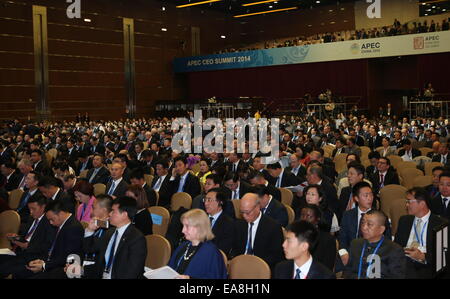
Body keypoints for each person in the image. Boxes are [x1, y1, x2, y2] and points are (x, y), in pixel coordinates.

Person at [82, 196, 147, 279]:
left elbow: (131, 273)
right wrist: (90, 230)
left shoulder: (136, 239)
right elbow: (89, 249)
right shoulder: (110, 232)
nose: (109, 214)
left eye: (113, 211)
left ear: (124, 215)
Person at [395, 187, 448, 278]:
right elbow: (397, 245)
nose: (406, 205)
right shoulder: (404, 220)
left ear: (422, 204)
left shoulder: (441, 224)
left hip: (428, 266)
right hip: (405, 263)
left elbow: (444, 255)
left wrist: (423, 256)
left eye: (409, 201)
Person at [0, 194, 56, 279]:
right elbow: (26, 237)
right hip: (21, 253)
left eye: (33, 209)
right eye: (29, 209)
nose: (31, 212)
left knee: (6, 269)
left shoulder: (49, 222)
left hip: (34, 257)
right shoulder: (32, 218)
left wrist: (28, 246)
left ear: (43, 207)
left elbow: (47, 246)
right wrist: (16, 237)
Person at [26, 199, 84, 279]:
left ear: (60, 214)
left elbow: (68, 257)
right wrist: (42, 261)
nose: (50, 223)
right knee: (22, 269)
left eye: (52, 219)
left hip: (63, 269)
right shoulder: (62, 223)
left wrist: (44, 265)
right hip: (52, 262)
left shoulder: (74, 228)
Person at [338, 182, 391, 266]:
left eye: (371, 195)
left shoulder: (380, 216)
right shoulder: (347, 215)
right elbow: (342, 238)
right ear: (356, 198)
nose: (370, 198)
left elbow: (387, 240)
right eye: (366, 196)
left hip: (373, 255)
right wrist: (343, 253)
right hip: (350, 254)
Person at [343, 210, 406, 279]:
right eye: (363, 223)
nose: (364, 228)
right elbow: (348, 271)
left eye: (369, 224)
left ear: (381, 229)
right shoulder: (355, 244)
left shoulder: (394, 250)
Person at [167, 209, 227, 279]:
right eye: (183, 226)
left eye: (187, 226)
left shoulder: (211, 252)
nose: (183, 230)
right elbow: (169, 270)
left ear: (199, 228)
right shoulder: (183, 246)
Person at [230, 193, 284, 269]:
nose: (244, 216)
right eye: (242, 212)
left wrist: (255, 265)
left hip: (262, 266)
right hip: (241, 264)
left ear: (258, 207)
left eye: (248, 212)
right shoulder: (239, 224)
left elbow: (276, 255)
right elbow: (234, 248)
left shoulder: (273, 227)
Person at [298, 205, 337, 271]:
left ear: (317, 220)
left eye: (308, 216)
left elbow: (327, 268)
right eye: (302, 215)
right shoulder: (295, 236)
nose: (304, 219)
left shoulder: (327, 240)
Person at [204, 188, 235, 256]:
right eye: (205, 200)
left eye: (209, 200)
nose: (206, 203)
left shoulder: (229, 224)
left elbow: (223, 249)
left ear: (220, 202)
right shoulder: (201, 218)